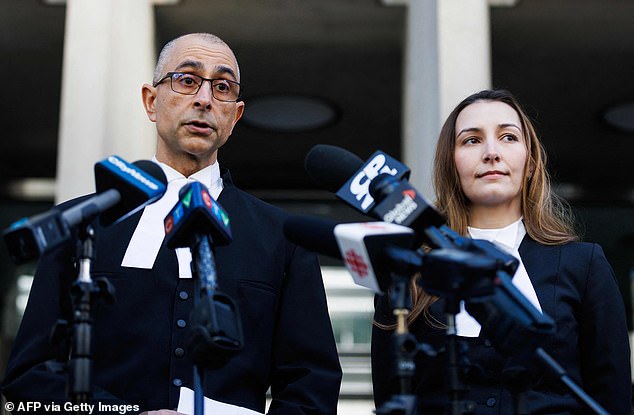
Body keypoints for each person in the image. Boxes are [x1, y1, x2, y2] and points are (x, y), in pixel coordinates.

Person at [2, 33, 342, 414]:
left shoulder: (282, 236)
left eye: (223, 87)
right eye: (186, 80)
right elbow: (28, 382)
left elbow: (312, 385)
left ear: (235, 115)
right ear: (151, 101)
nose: (204, 99)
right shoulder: (85, 224)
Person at [371, 89, 631, 415]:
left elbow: (614, 396)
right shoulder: (409, 268)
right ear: (450, 163)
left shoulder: (584, 265)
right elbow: (390, 396)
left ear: (531, 162)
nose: (492, 153)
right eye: (471, 140)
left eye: (508, 137)